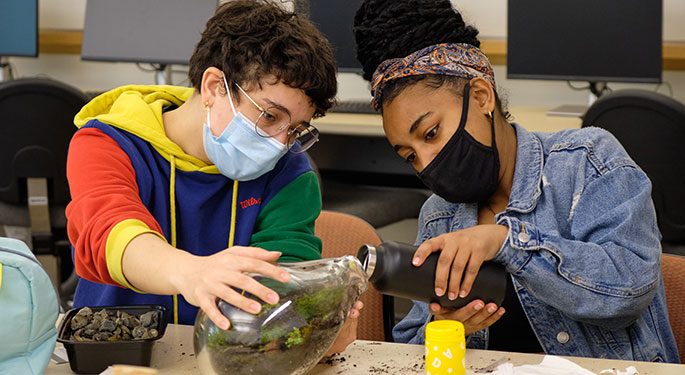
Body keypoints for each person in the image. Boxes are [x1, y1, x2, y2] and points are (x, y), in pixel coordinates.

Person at [353, 0, 679, 363]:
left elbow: (630, 289)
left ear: (480, 97)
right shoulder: (440, 216)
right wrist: (444, 327)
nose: (426, 164)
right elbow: (408, 351)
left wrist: (508, 243)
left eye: (431, 133)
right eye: (410, 156)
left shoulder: (586, 162)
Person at [66, 0, 360, 355]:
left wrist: (313, 328)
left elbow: (280, 286)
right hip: (117, 355)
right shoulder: (108, 144)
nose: (280, 143)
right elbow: (109, 232)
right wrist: (189, 272)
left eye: (296, 129)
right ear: (214, 86)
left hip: (231, 358)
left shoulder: (290, 173)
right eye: (269, 116)